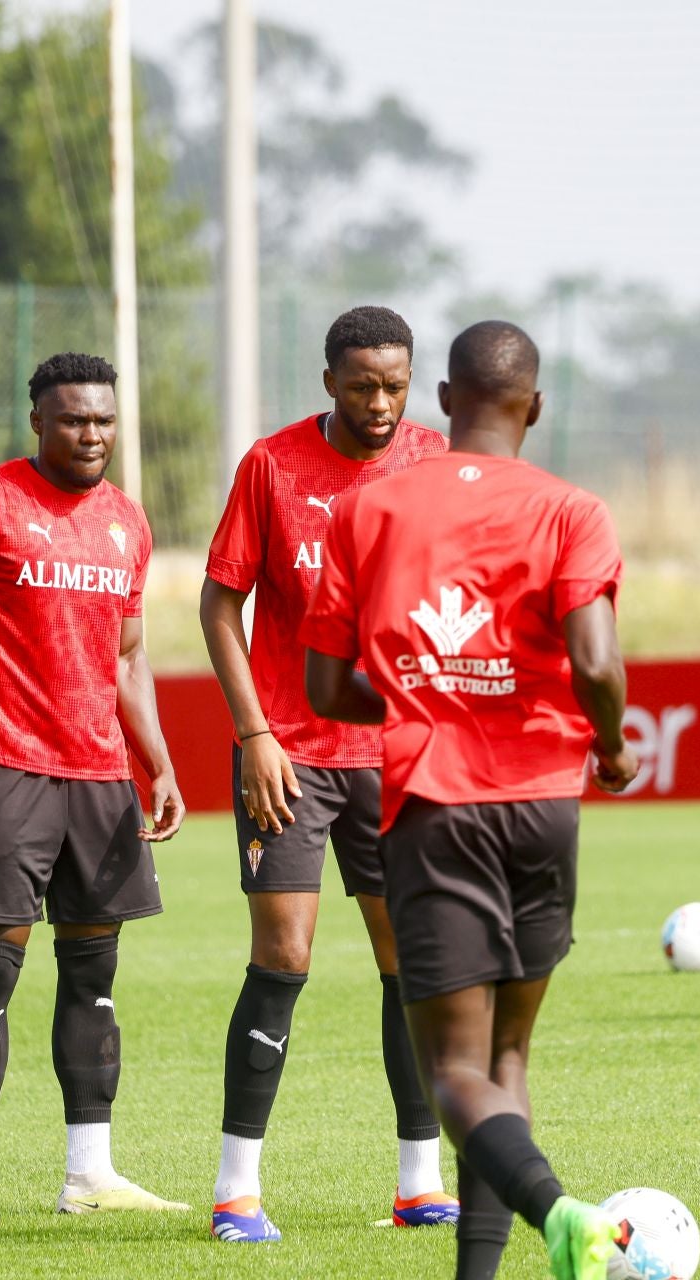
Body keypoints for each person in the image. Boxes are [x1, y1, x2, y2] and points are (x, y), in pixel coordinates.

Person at [302, 320, 639, 1280]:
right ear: (535, 406)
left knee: (453, 1068)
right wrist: (611, 745)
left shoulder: (366, 509)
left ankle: (559, 1213)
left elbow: (326, 689)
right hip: (544, 804)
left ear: (443, 400)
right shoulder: (574, 510)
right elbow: (597, 663)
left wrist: (426, 697)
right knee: (506, 1063)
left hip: (434, 804)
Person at [198, 306, 455, 1242]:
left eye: (395, 386)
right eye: (361, 387)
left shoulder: (434, 462)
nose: (380, 404)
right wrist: (254, 734)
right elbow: (219, 605)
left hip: (397, 757)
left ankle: (420, 1185)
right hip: (291, 756)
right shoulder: (272, 465)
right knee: (284, 957)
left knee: (411, 962)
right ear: (328, 383)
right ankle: (236, 1193)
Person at [0, 352, 188, 1226]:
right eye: (74, 419)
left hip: (101, 779)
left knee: (95, 978)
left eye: (104, 420)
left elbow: (128, 657)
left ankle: (90, 1173)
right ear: (38, 418)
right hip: (7, 769)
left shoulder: (128, 521)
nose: (92, 434)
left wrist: (157, 762)